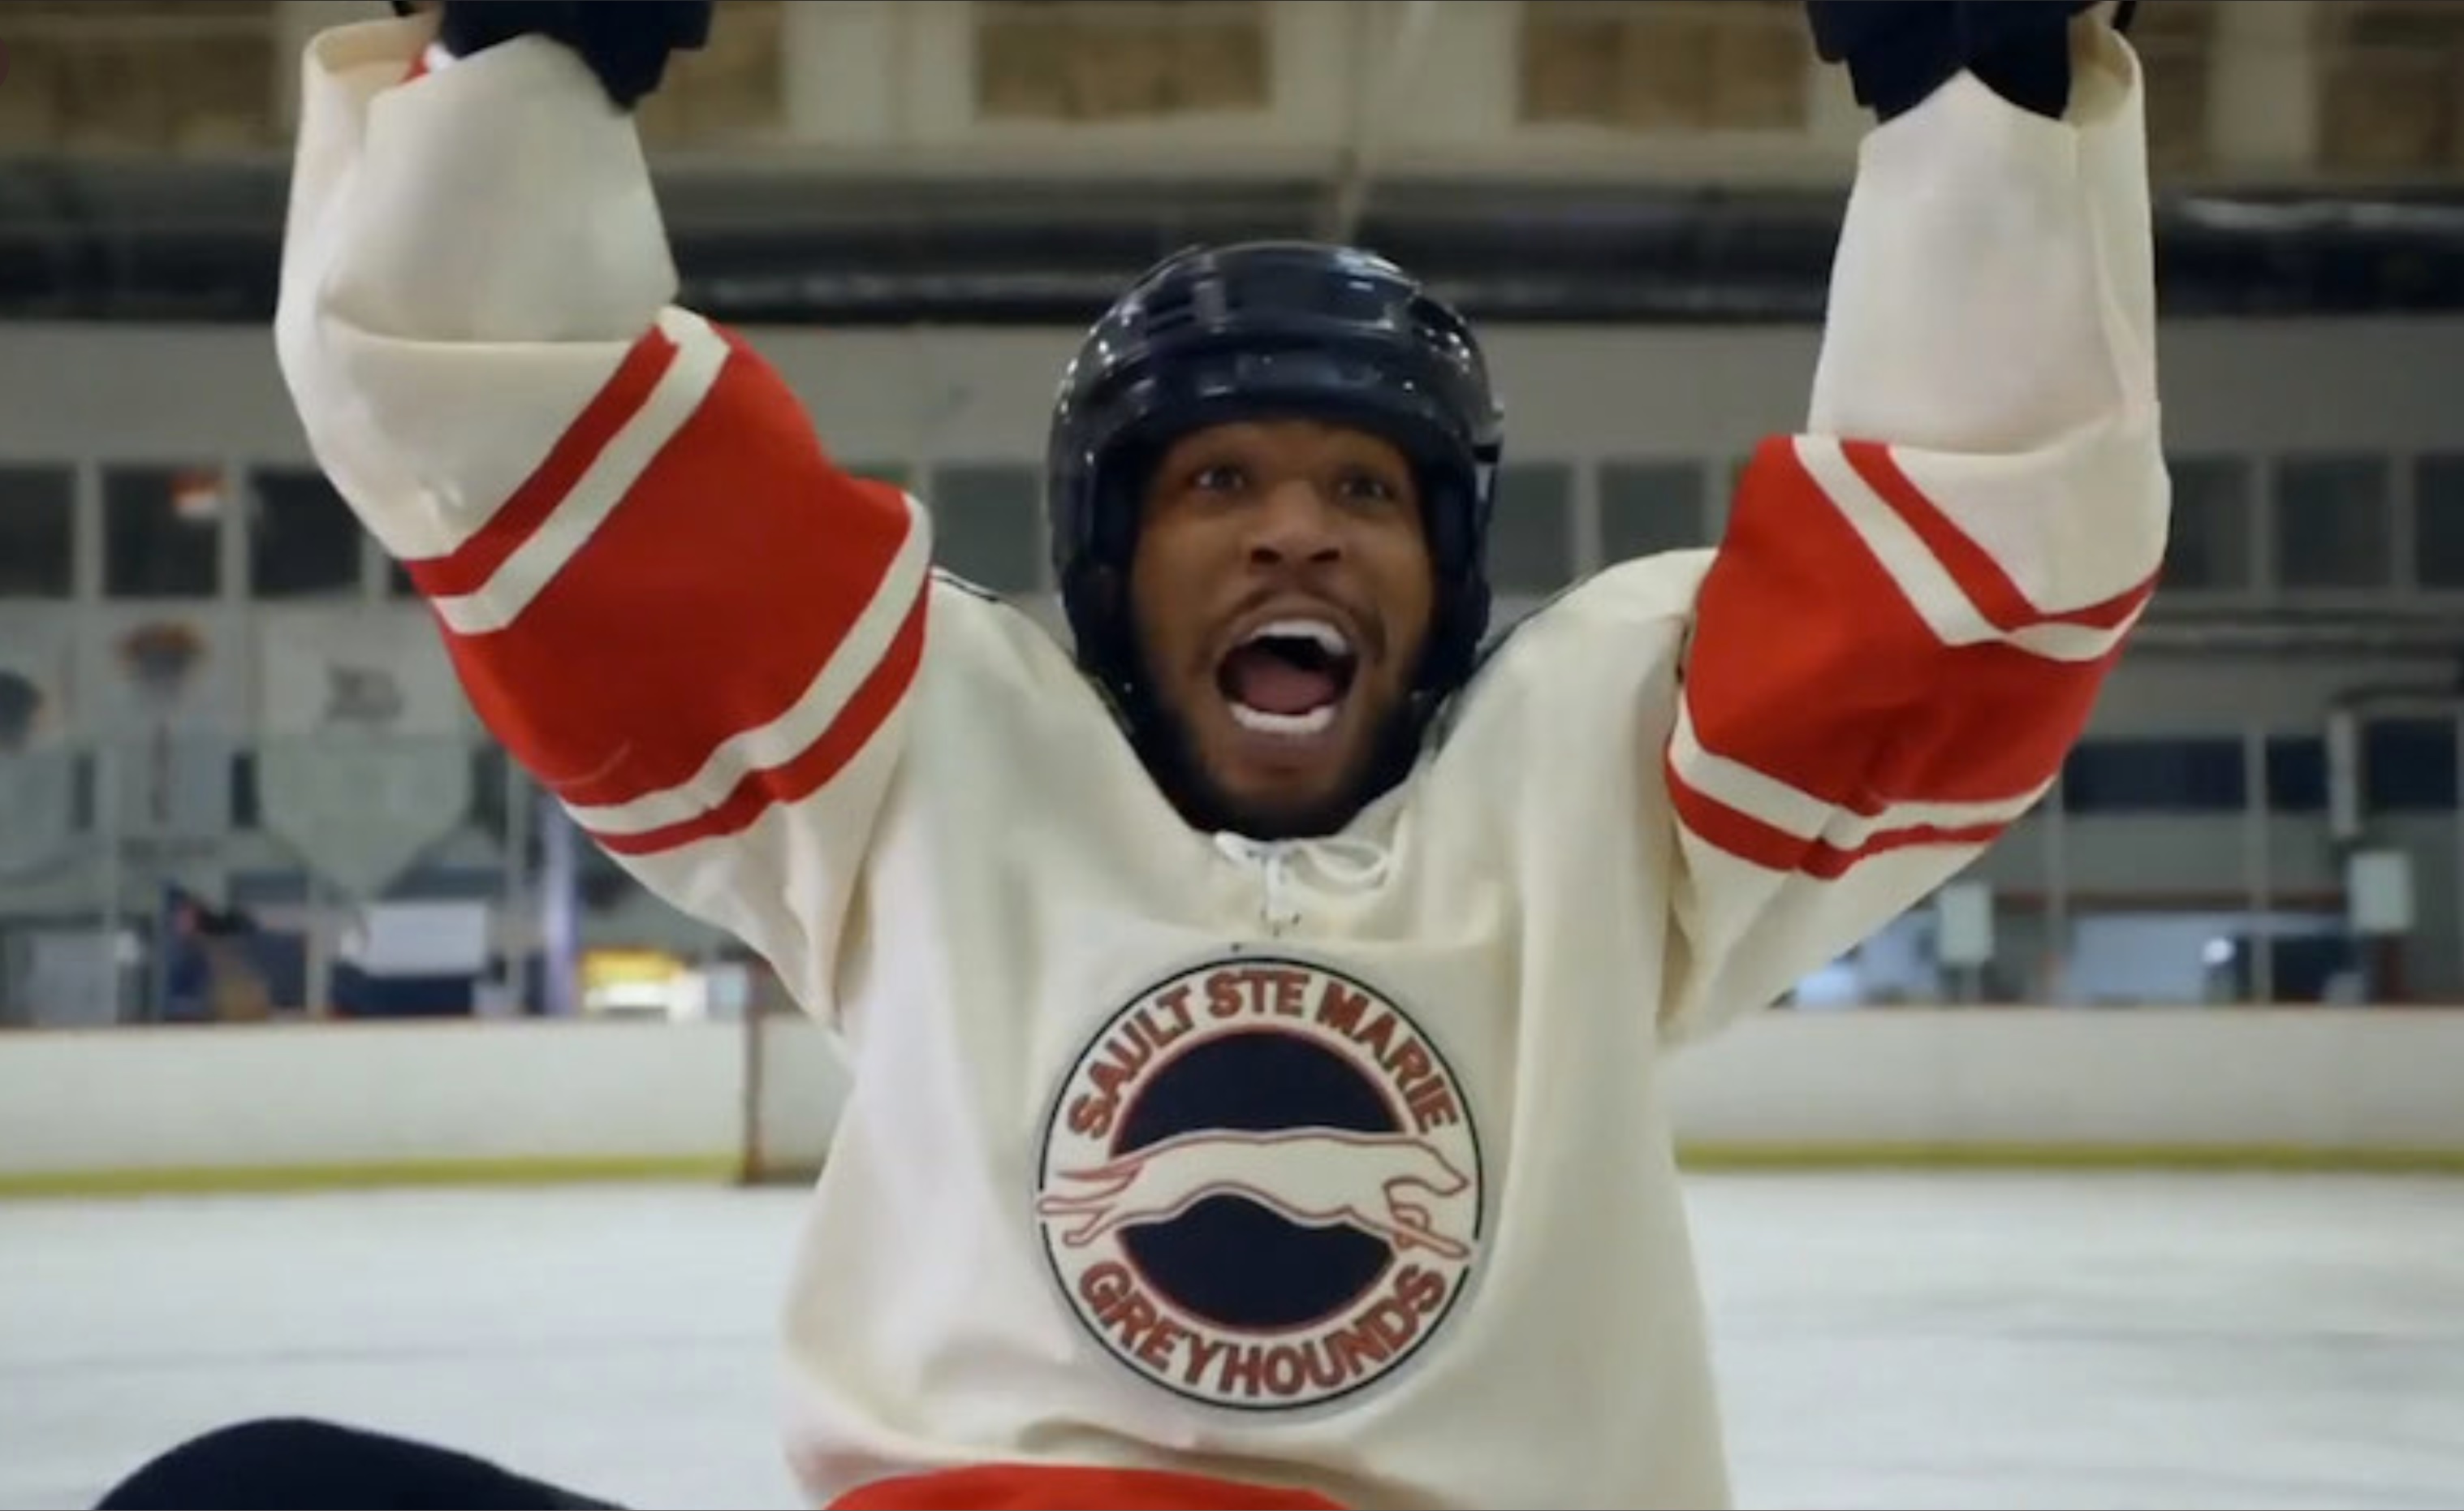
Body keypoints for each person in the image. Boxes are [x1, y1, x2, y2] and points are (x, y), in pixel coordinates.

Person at [101, 0, 2168, 1506]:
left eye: (1363, 485)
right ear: (1107, 558)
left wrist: (1972, 98)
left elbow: (1960, 579)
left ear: (1442, 581)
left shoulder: (1602, 783)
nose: (1293, 527)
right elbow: (537, 456)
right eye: (1222, 482)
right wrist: (524, 64)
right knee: (258, 1490)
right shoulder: (920, 754)